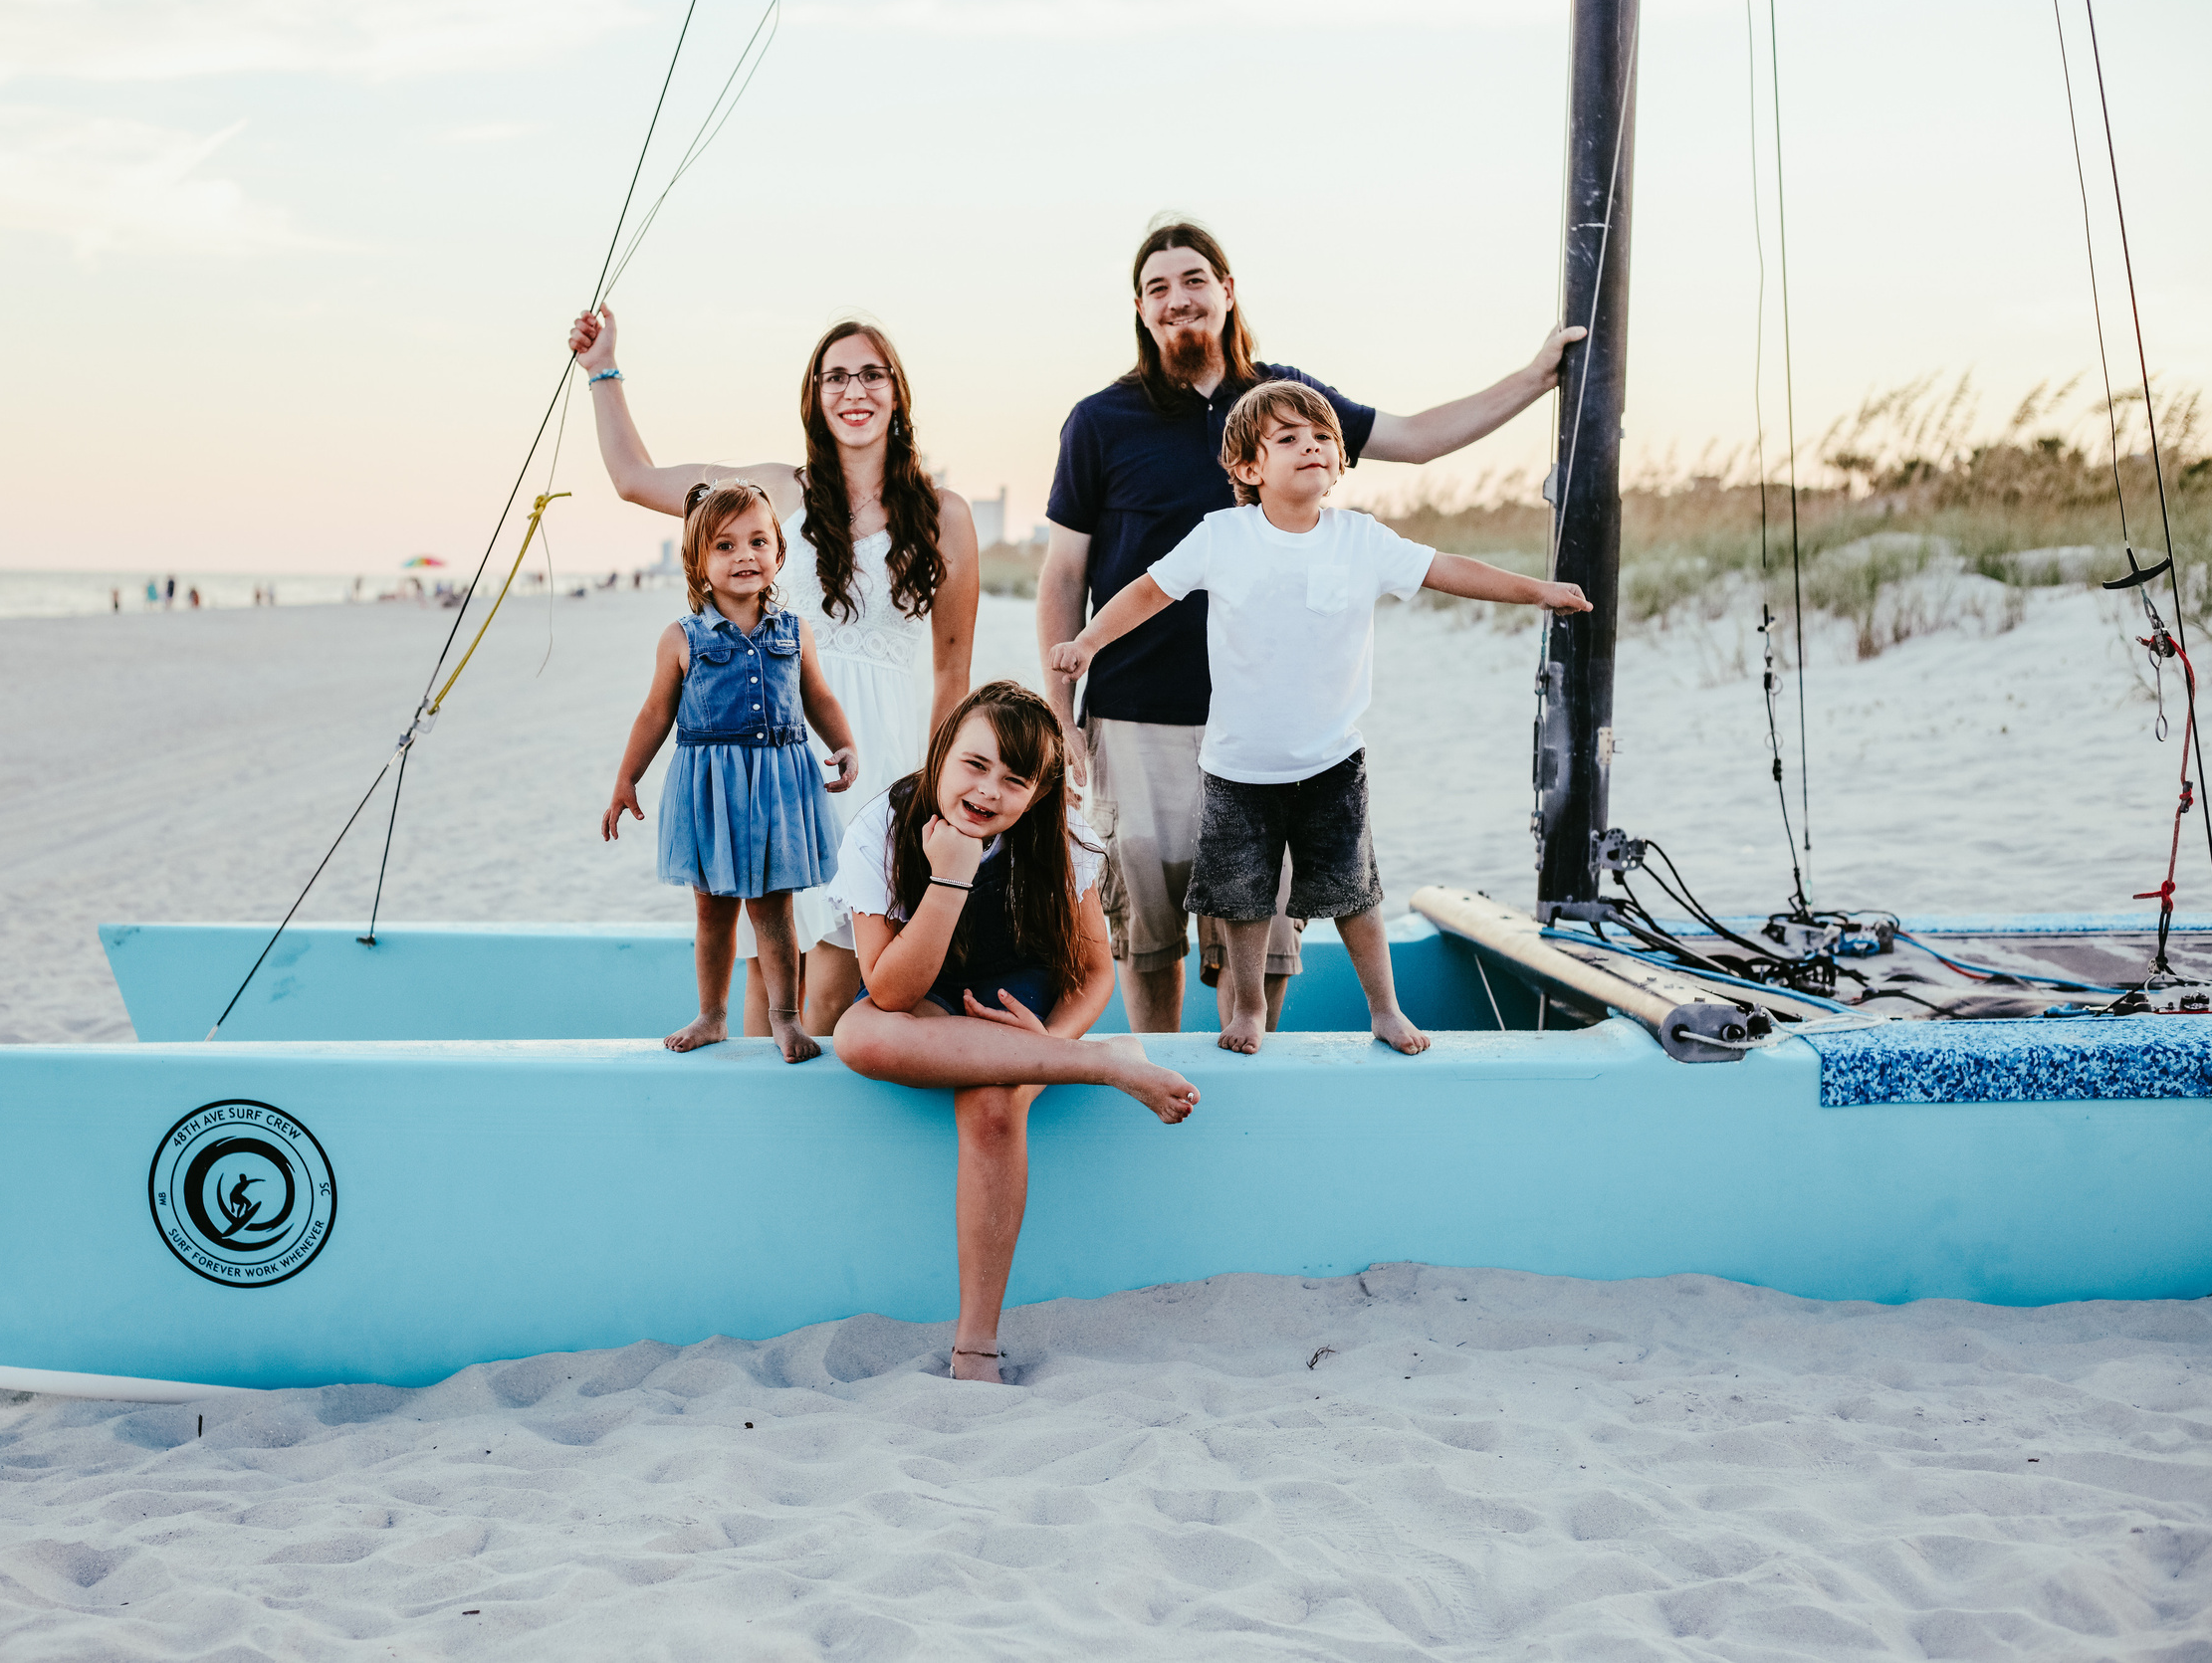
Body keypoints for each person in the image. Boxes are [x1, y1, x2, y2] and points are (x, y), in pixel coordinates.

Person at [1039, 215, 1586, 1033]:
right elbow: (1064, 575)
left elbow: (1417, 438)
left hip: (1274, 736)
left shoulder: (1285, 404)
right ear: (1142, 310)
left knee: (1264, 929)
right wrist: (1060, 707)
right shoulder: (1098, 421)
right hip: (1137, 714)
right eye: (1157, 289)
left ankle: (1249, 1076)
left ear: (1227, 292)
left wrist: (1536, 377)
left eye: (1194, 281)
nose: (1177, 300)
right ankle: (1161, 1077)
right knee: (1148, 935)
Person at [570, 307, 981, 1036]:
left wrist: (941, 796)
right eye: (835, 377)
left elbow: (952, 674)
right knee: (768, 978)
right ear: (815, 396)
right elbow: (634, 479)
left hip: (881, 769)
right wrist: (603, 368)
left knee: (833, 987)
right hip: (778, 764)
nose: (853, 390)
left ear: (897, 392)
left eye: (870, 374)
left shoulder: (945, 514)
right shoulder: (773, 493)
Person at [829, 683, 1205, 1383]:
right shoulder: (881, 826)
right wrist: (948, 879)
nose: (988, 789)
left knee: (995, 1107)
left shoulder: (1065, 836)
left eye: (1014, 778)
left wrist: (1048, 1034)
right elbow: (889, 990)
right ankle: (1097, 1063)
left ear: (1037, 792)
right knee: (858, 1036)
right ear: (942, 752)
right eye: (975, 764)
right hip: (927, 988)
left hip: (1018, 994)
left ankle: (975, 1345)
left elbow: (1096, 972)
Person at [603, 481, 861, 1063]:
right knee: (712, 909)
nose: (744, 555)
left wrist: (843, 744)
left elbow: (816, 695)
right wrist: (627, 779)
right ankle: (713, 1015)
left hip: (777, 788)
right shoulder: (682, 637)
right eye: (725, 545)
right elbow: (654, 715)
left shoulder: (794, 631)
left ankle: (784, 1019)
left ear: (778, 552)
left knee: (775, 907)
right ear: (698, 562)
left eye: (757, 541)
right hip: (711, 789)